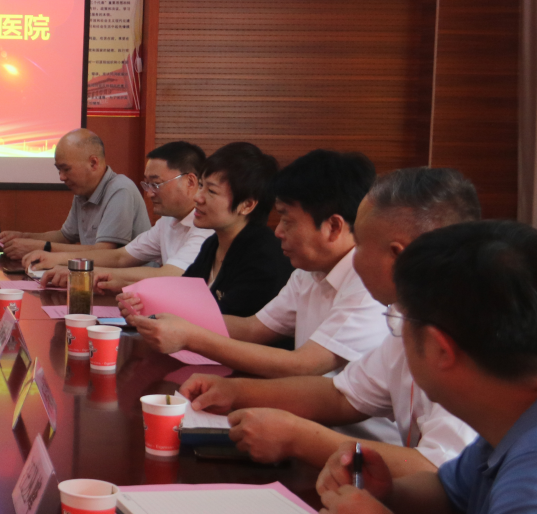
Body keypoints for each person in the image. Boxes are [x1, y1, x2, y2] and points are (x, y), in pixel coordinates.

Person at [317, 221, 537, 514]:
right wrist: (388, 495)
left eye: (400, 319)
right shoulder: (523, 413)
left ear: (439, 348)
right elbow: (454, 506)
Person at [180, 168, 481, 474]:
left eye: (359, 243)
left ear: (397, 256)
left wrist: (298, 438)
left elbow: (438, 471)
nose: (352, 254)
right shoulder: (407, 318)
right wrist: (235, 391)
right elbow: (341, 395)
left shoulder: (470, 336)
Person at [122, 149, 384, 377]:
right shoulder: (307, 273)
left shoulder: (367, 286)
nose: (278, 231)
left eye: (287, 221)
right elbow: (253, 328)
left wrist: (190, 337)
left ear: (333, 227)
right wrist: (157, 315)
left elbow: (303, 365)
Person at [23, 141, 211, 291]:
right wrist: (59, 259)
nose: (149, 193)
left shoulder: (207, 225)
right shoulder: (168, 221)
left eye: (156, 184)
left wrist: (83, 273)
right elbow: (121, 257)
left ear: (190, 181)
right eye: (147, 185)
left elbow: (170, 275)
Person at [0, 129, 150, 260]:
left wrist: (41, 247)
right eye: (59, 170)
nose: (61, 177)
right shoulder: (83, 191)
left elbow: (104, 253)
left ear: (93, 163)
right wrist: (23, 237)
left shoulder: (120, 190)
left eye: (66, 169)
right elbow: (65, 237)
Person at [179, 142, 291, 318]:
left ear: (246, 205)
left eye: (211, 191)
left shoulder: (265, 258)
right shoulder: (213, 243)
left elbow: (226, 321)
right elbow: (181, 295)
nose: (197, 197)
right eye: (201, 186)